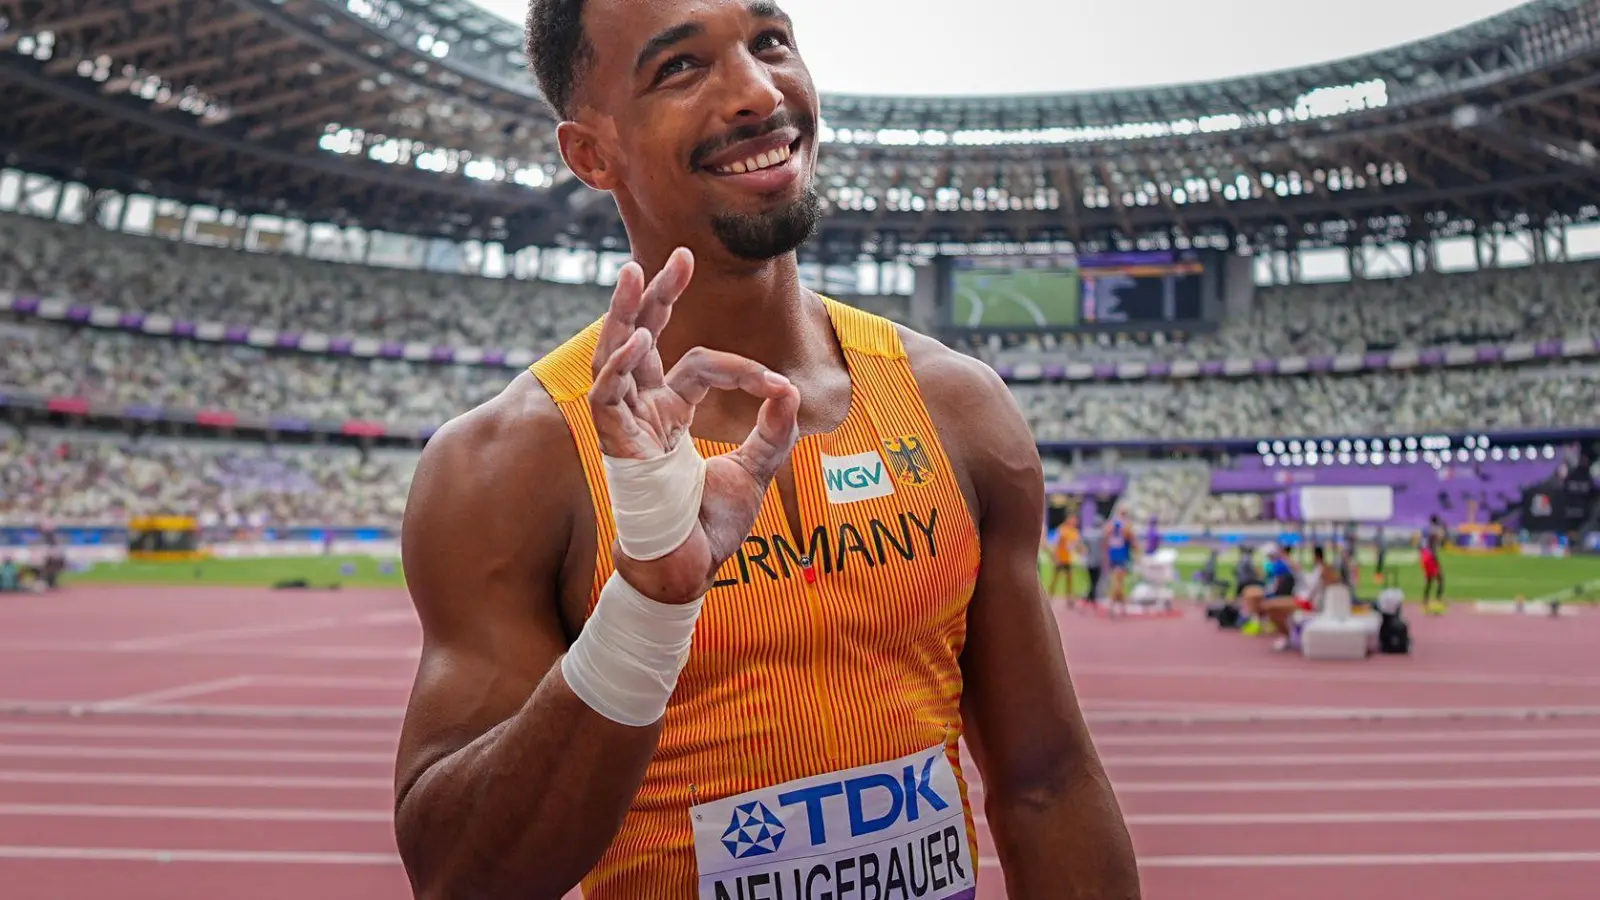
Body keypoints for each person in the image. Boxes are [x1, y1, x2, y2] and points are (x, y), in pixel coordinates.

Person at [390, 2, 1140, 898]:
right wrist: (646, 607)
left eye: (770, 42)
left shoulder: (959, 408)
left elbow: (1047, 784)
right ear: (592, 153)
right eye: (681, 67)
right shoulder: (508, 464)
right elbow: (458, 875)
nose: (755, 91)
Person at [1421, 515, 1448, 615]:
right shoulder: (1434, 531)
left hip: (1425, 556)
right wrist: (1436, 561)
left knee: (1429, 580)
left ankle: (1425, 599)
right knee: (1441, 579)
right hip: (1430, 557)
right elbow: (1433, 547)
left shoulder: (1427, 529)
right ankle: (1438, 599)